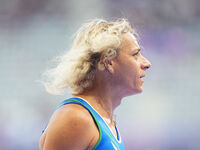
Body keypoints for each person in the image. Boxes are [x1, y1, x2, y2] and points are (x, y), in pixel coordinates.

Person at [39, 18, 151, 150]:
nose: (146, 63)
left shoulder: (105, 121)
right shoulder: (76, 118)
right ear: (108, 62)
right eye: (135, 54)